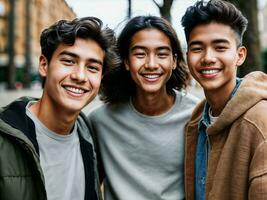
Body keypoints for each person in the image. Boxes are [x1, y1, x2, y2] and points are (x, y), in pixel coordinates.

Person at [0, 17, 119, 200]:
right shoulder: (4, 139)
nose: (80, 76)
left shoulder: (88, 133)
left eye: (92, 67)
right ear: (44, 65)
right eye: (69, 61)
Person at [88, 15, 199, 200]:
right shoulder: (100, 121)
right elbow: (90, 185)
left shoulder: (195, 115)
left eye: (162, 54)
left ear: (174, 60)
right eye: (140, 54)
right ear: (125, 61)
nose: (151, 64)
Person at [181, 0, 267, 199]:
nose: (208, 57)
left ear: (240, 55)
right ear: (187, 57)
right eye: (197, 48)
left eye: (220, 47)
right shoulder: (196, 120)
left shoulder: (259, 121)